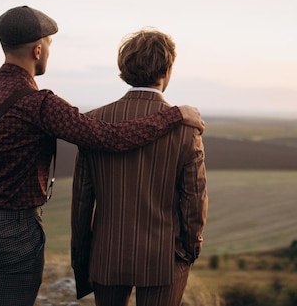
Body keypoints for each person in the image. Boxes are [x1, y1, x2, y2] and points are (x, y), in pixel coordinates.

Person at [0, 6, 204, 306]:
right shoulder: (39, 104)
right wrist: (173, 115)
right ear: (38, 50)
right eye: (49, 47)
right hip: (13, 232)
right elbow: (108, 136)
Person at [71, 28, 208, 306]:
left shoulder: (93, 122)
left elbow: (82, 201)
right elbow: (195, 198)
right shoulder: (186, 129)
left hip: (106, 254)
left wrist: (83, 256)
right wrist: (189, 250)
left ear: (124, 69)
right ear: (167, 70)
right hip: (164, 257)